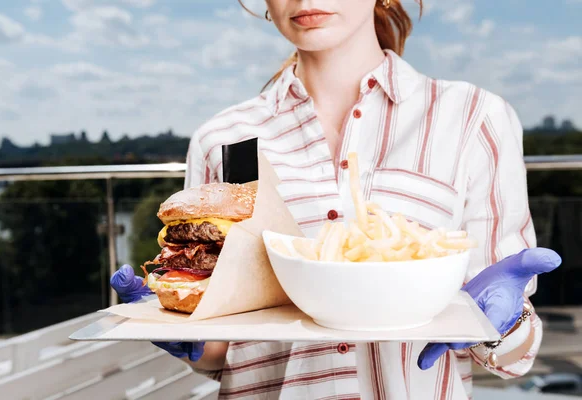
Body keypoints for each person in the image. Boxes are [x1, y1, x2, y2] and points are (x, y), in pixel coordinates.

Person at [111, 0, 562, 398]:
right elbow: (222, 352)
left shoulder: (472, 119)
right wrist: (183, 334)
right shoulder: (224, 140)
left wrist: (503, 326)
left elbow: (513, 356)